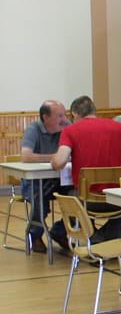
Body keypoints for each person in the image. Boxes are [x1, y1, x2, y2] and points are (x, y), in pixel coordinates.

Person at [51, 95, 121, 241]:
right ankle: (109, 236)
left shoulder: (71, 130)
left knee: (68, 199)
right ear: (94, 111)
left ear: (75, 114)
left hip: (87, 199)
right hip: (120, 198)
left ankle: (95, 239)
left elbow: (59, 162)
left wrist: (53, 159)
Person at [20, 99, 72, 252]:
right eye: (59, 116)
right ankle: (35, 235)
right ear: (45, 118)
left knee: (79, 197)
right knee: (39, 201)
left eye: (65, 115)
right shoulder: (33, 129)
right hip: (35, 180)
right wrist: (55, 157)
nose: (64, 119)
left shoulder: (68, 127)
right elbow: (26, 156)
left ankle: (59, 231)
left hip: (60, 179)